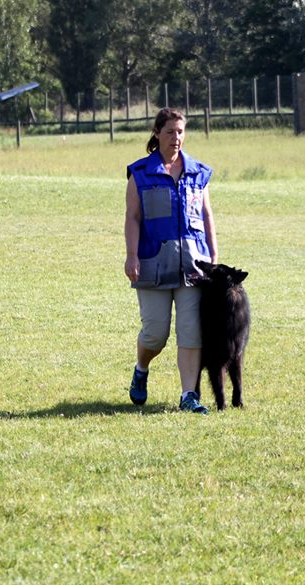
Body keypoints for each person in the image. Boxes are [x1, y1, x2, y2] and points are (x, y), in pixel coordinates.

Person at [124, 108, 219, 414]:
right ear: (157, 133)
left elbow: (206, 216)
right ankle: (141, 368)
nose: (176, 138)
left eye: (180, 132)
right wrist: (131, 256)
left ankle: (189, 395)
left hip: (194, 266)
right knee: (156, 334)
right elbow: (133, 217)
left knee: (191, 330)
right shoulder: (140, 173)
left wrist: (214, 257)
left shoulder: (198, 172)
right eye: (169, 132)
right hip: (152, 263)